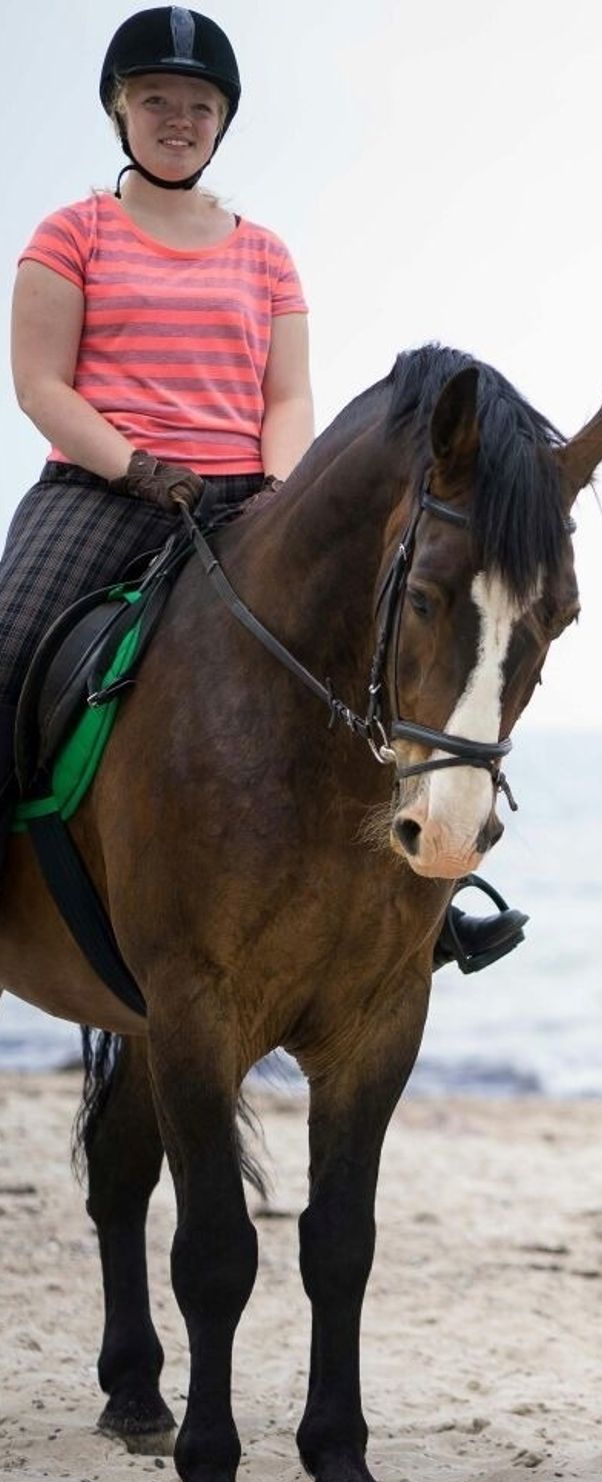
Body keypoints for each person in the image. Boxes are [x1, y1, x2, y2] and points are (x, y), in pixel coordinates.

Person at [2, 6, 523, 974]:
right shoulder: (70, 232)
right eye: (156, 100)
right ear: (120, 110)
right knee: (5, 646)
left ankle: (428, 906)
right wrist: (137, 466)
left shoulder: (264, 252)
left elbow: (287, 394)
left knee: (377, 663)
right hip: (100, 492)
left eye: (198, 105)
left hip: (241, 498)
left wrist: (281, 489)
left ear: (222, 122)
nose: (179, 119)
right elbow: (40, 385)